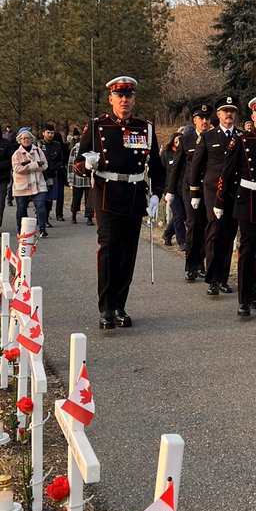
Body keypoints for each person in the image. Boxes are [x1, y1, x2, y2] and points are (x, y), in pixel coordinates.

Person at [73, 75, 164, 330]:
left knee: (127, 253)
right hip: (106, 193)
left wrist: (156, 193)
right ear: (111, 98)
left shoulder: (144, 127)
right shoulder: (97, 126)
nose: (124, 100)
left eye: (129, 96)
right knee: (109, 250)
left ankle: (120, 305)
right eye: (119, 96)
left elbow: (155, 164)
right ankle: (106, 308)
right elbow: (77, 164)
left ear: (134, 99)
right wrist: (86, 164)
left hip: (134, 193)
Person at [219, 94, 256, 317]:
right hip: (246, 198)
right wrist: (220, 200)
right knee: (247, 249)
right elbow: (227, 171)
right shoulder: (242, 140)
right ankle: (244, 299)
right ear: (252, 115)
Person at [192, 94, 241, 295]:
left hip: (234, 191)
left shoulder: (240, 137)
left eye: (232, 111)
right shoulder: (208, 137)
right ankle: (212, 278)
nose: (229, 114)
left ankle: (223, 278)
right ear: (218, 114)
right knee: (214, 232)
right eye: (225, 111)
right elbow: (197, 165)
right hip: (212, 190)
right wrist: (195, 191)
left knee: (229, 234)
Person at [167, 103, 213, 281]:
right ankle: (191, 265)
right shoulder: (186, 140)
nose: (204, 121)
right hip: (189, 189)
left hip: (207, 189)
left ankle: (201, 263)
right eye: (201, 118)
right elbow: (176, 168)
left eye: (207, 118)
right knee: (193, 225)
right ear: (194, 120)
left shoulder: (212, 138)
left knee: (206, 226)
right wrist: (170, 191)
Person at [12, 127, 49, 237]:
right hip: (22, 186)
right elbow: (17, 169)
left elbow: (45, 165)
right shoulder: (16, 154)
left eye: (28, 138)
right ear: (20, 140)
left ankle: (42, 229)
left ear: (31, 139)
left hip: (38, 184)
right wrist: (35, 165)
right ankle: (21, 229)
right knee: (21, 208)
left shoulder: (38, 150)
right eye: (23, 138)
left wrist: (29, 166)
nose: (26, 140)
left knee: (41, 206)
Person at [160, 131, 187, 249]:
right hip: (171, 190)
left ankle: (167, 233)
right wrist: (163, 190)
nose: (178, 143)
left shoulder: (188, 154)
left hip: (184, 189)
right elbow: (161, 172)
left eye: (181, 141)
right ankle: (182, 241)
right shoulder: (167, 154)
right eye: (176, 141)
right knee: (179, 215)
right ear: (172, 142)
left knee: (183, 215)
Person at [41, 123, 67, 224]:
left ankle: (46, 218)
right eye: (48, 133)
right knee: (40, 199)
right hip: (40, 174)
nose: (50, 135)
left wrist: (54, 167)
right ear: (43, 133)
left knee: (49, 199)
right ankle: (40, 217)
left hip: (53, 174)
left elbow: (61, 160)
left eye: (52, 133)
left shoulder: (57, 145)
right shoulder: (38, 145)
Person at [67, 137, 94, 224]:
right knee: (76, 198)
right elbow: (71, 164)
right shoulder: (75, 148)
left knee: (89, 199)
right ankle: (74, 213)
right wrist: (70, 179)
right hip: (77, 178)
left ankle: (89, 217)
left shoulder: (93, 149)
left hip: (89, 179)